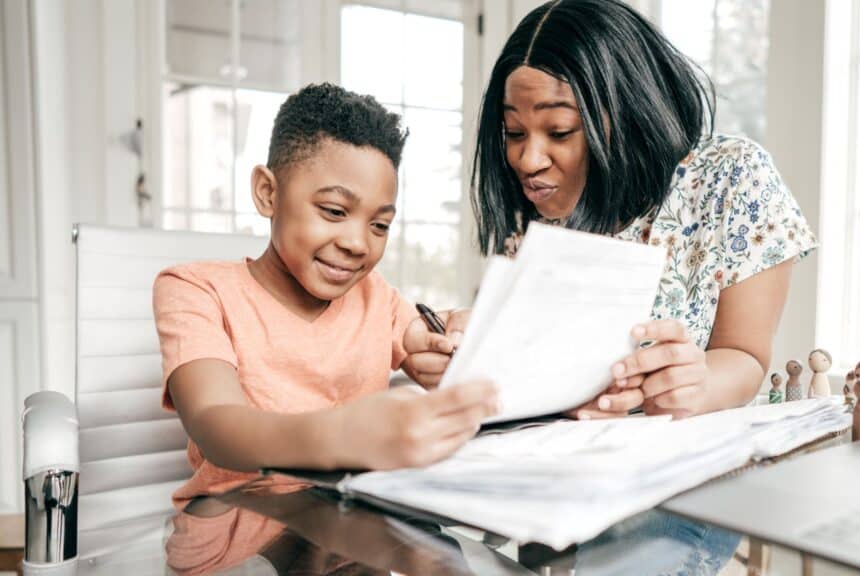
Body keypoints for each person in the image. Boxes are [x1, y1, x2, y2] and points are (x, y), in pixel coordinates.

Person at [404, 0, 816, 422]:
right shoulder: (541, 206)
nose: (527, 160)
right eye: (513, 132)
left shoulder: (732, 174)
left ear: (627, 112)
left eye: (559, 131)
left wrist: (697, 383)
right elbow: (541, 364)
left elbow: (743, 356)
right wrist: (466, 349)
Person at [153, 83, 498, 504]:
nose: (358, 243)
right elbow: (214, 425)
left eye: (380, 225)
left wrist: (457, 338)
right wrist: (343, 435)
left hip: (353, 519)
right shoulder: (195, 291)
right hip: (235, 527)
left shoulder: (377, 298)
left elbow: (420, 336)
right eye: (334, 211)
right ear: (268, 192)